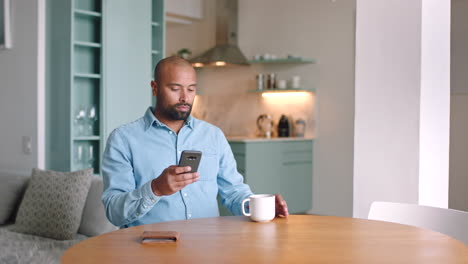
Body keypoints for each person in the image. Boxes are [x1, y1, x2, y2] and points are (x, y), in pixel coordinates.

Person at [101, 56, 289, 228]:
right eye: (175, 89)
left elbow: (234, 192)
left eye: (191, 89)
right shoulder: (123, 139)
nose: (185, 97)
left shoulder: (213, 136)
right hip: (149, 249)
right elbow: (114, 212)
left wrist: (260, 207)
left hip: (206, 248)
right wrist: (155, 189)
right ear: (155, 88)